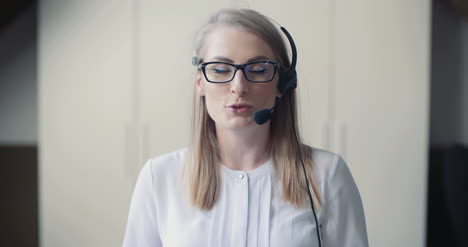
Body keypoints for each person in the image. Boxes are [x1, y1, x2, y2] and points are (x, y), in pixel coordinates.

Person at [123, 8, 368, 247]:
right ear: (200, 82)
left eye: (259, 70)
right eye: (220, 70)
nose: (238, 87)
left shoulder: (327, 174)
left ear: (282, 84)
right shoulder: (159, 178)